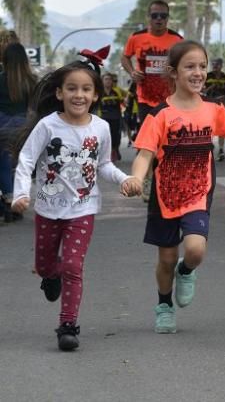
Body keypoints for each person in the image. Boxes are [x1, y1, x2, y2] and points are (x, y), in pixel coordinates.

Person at [131, 40, 225, 334]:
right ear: (173, 72)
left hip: (197, 193)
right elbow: (144, 155)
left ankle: (186, 270)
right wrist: (137, 179)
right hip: (165, 196)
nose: (198, 72)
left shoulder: (213, 109)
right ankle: (164, 305)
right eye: (190, 66)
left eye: (202, 66)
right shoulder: (159, 114)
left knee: (195, 251)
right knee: (166, 258)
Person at [10, 56, 143, 351]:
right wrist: (21, 194)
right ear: (60, 93)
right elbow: (27, 160)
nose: (78, 95)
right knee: (45, 265)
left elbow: (104, 165)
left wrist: (124, 179)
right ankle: (50, 275)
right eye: (71, 88)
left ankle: (68, 325)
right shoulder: (47, 126)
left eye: (85, 89)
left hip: (83, 210)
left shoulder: (101, 128)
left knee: (73, 265)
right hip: (47, 208)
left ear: (96, 95)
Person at [121, 1, 183, 199]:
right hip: (145, 99)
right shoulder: (137, 38)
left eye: (163, 16)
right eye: (155, 15)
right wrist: (133, 72)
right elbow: (125, 57)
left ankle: (165, 180)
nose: (159, 20)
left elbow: (184, 62)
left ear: (168, 18)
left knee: (169, 142)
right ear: (148, 17)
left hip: (170, 100)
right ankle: (147, 180)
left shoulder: (176, 39)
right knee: (146, 142)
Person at [0, 42, 38, 221]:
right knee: (19, 165)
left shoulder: (0, 78)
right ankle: (17, 200)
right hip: (23, 126)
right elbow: (34, 108)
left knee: (3, 165)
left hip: (2, 124)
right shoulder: (31, 81)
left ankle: (8, 201)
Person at [204, 58, 225, 161]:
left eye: (217, 65)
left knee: (222, 129)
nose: (215, 66)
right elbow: (201, 90)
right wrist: (211, 87)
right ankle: (210, 147)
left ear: (221, 66)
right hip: (209, 105)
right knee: (209, 127)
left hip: (222, 105)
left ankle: (221, 150)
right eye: (213, 65)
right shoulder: (207, 76)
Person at [99, 72, 127, 162]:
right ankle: (108, 154)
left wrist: (125, 102)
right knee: (105, 136)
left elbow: (126, 97)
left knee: (116, 136)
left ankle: (115, 149)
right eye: (106, 79)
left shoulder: (117, 91)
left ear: (112, 81)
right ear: (102, 81)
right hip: (103, 117)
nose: (108, 81)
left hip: (116, 117)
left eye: (109, 79)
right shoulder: (99, 92)